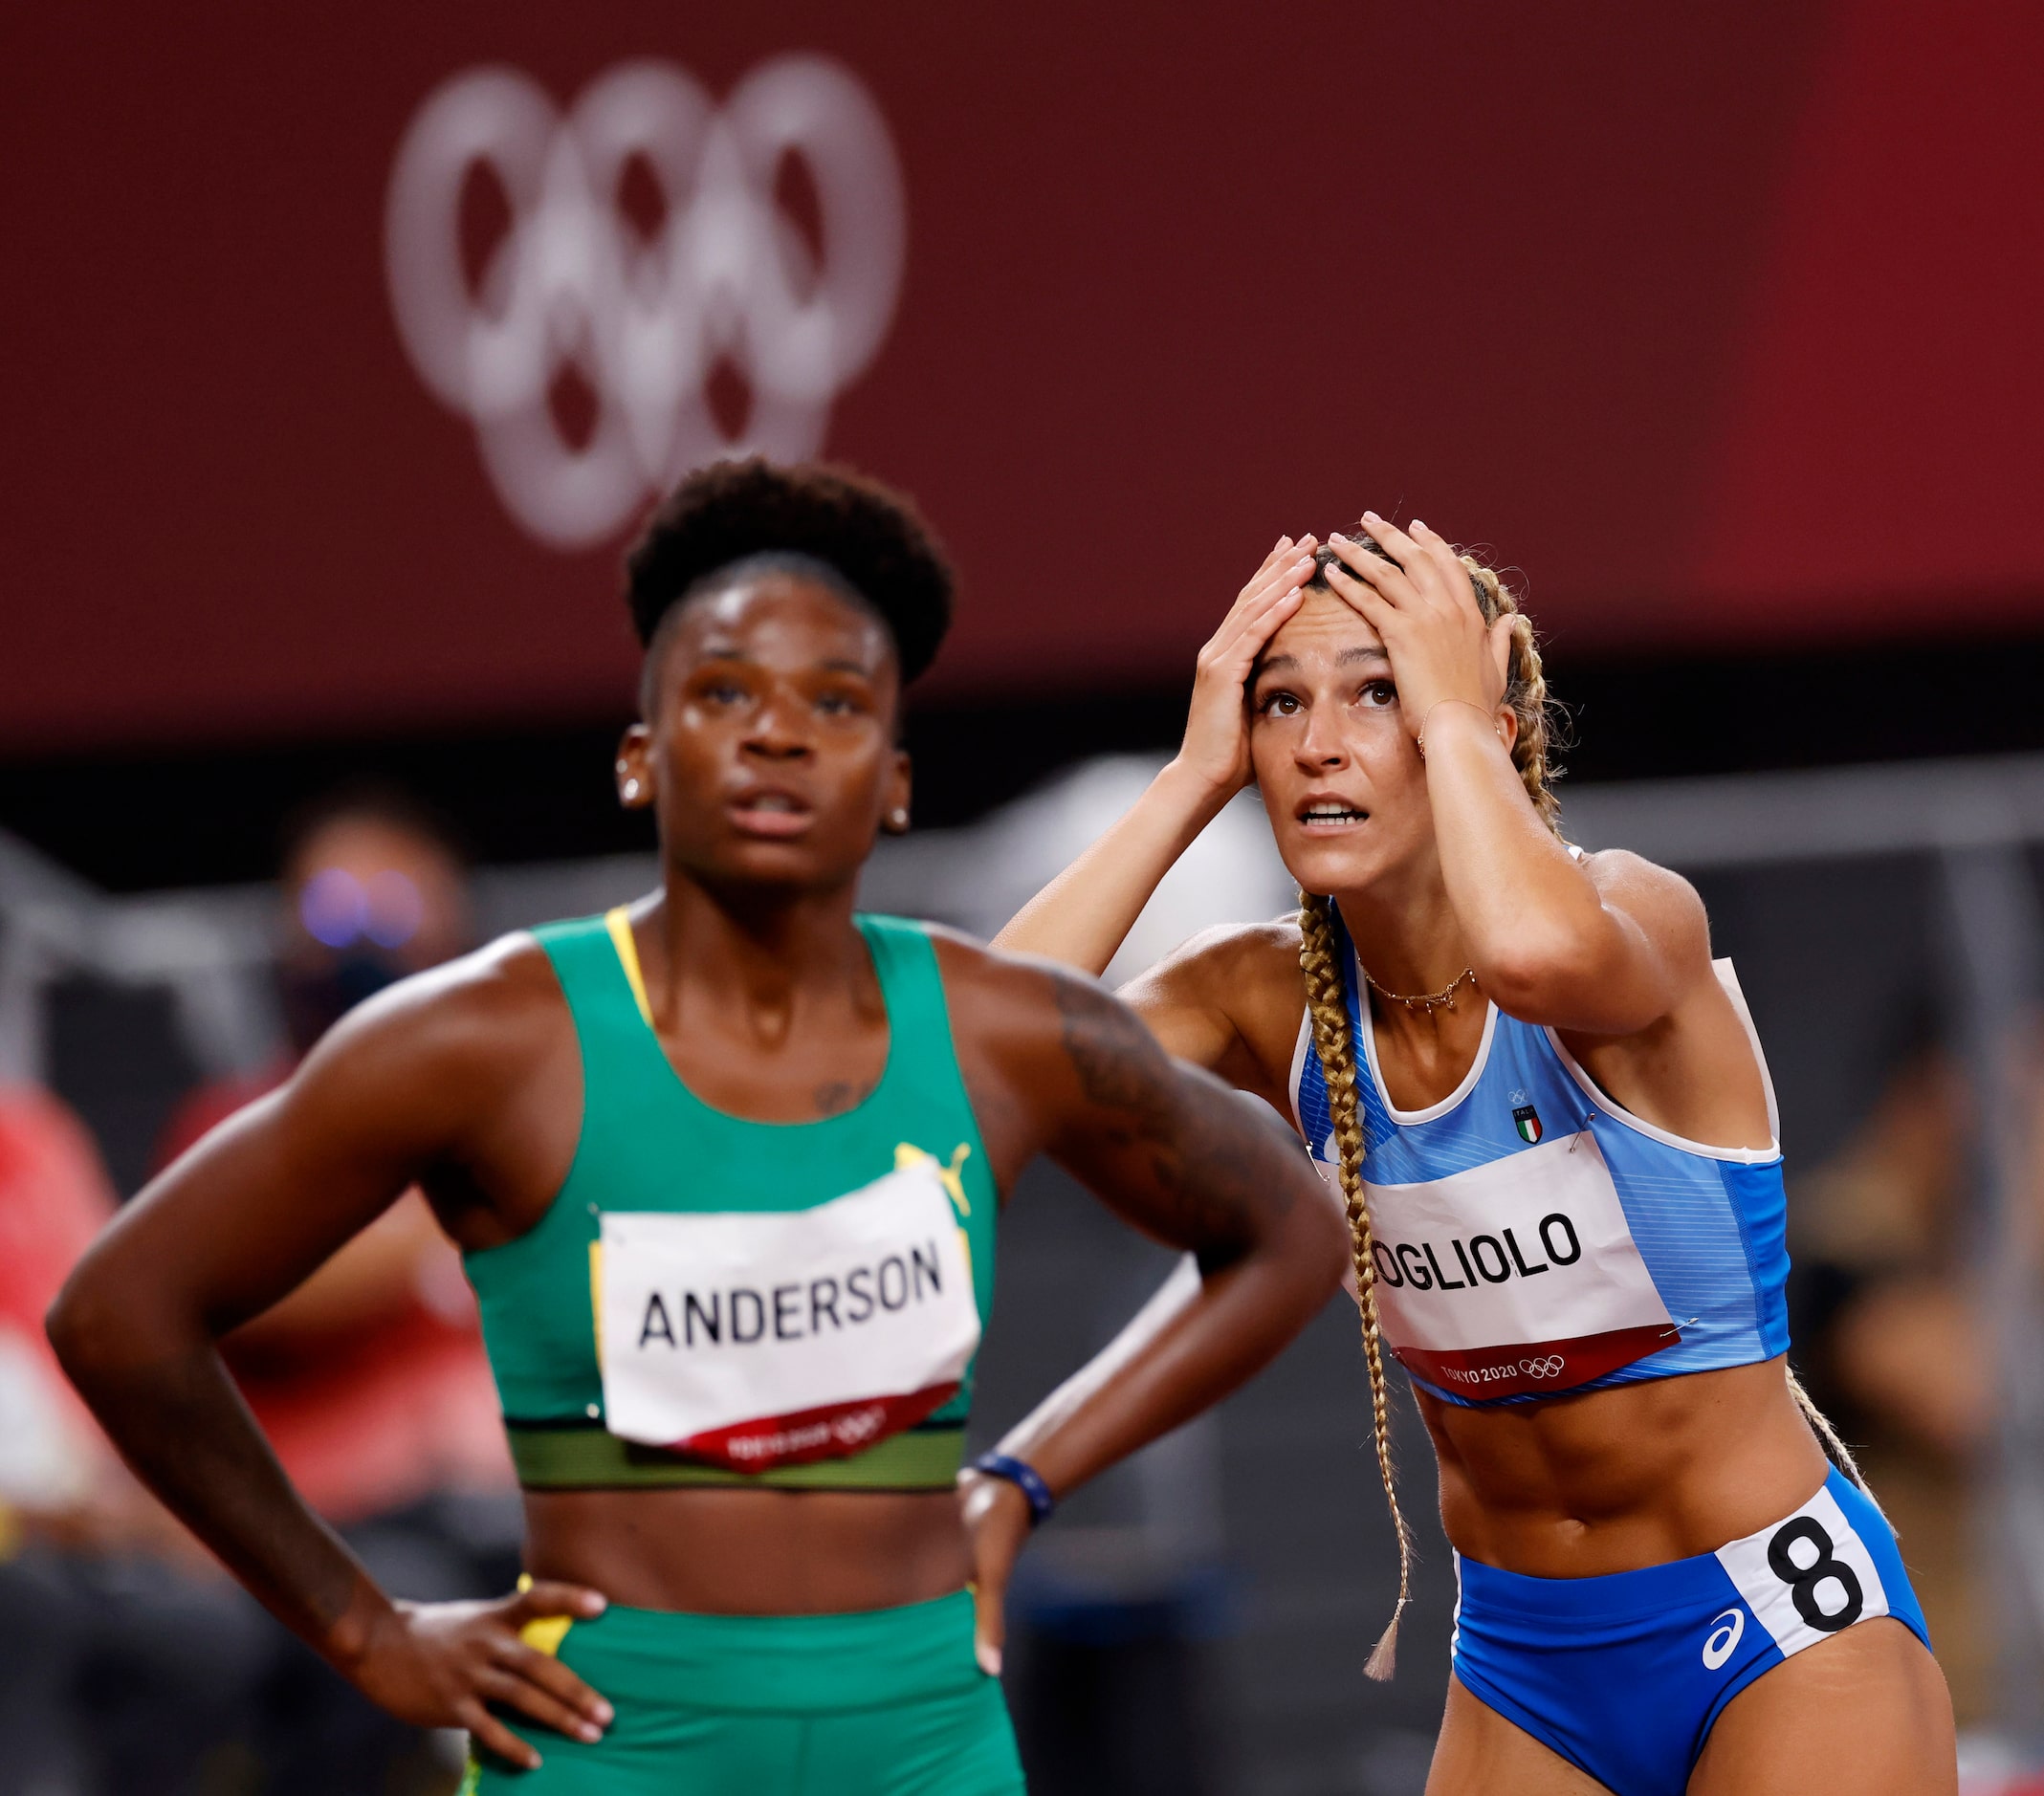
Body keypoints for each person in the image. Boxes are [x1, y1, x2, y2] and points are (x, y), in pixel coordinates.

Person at [47, 458, 1347, 1796]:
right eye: (725, 692)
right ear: (638, 754)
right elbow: (119, 1313)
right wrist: (362, 1626)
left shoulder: (993, 1028)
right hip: (618, 1747)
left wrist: (1023, 1478)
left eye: (833, 703)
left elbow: (1289, 1232)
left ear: (892, 780)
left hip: (920, 1744)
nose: (778, 733)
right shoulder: (482, 1040)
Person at [995, 518, 1958, 1796]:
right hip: (1525, 1659)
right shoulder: (1266, 999)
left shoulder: (1632, 918)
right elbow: (974, 1053)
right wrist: (1185, 776)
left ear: (1480, 717)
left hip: (1773, 1632)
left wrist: (1459, 727)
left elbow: (1528, 958)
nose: (1318, 742)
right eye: (1280, 702)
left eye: (1377, 690)